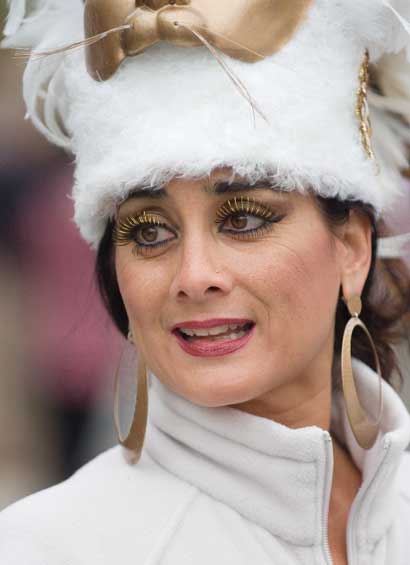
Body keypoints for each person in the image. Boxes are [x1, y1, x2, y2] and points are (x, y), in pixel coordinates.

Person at [1, 1, 410, 564]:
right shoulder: (43, 549)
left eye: (243, 219)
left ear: (352, 249)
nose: (194, 276)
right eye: (149, 232)